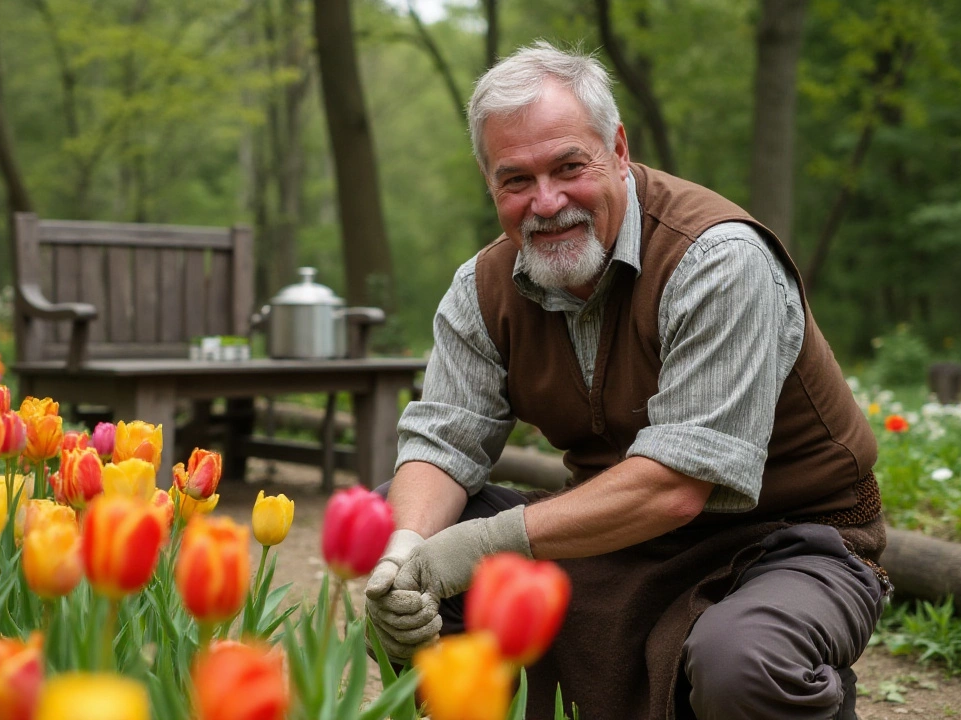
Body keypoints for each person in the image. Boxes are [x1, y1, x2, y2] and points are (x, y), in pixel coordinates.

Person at [365, 42, 888, 720]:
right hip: (617, 536)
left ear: (617, 148)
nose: (546, 202)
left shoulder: (718, 260)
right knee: (411, 548)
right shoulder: (482, 289)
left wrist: (480, 544)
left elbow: (675, 486)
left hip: (788, 542)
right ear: (488, 183)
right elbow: (441, 444)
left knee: (743, 663)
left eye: (568, 166)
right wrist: (406, 556)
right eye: (515, 179)